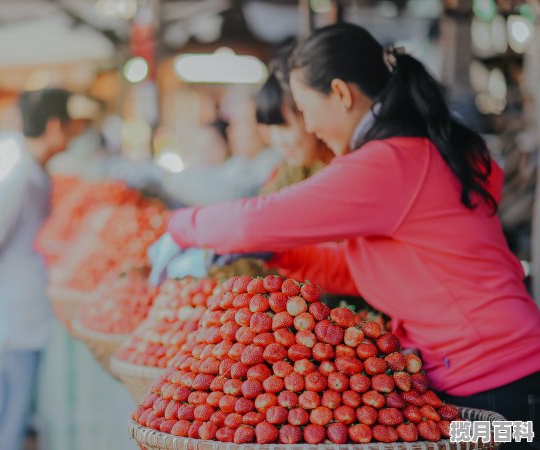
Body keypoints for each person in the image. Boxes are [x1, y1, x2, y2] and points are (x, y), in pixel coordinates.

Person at [151, 23, 540, 444]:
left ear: (340, 93)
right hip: (489, 376)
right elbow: (365, 274)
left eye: (305, 107)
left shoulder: (388, 164)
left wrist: (178, 225)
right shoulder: (414, 153)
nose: (309, 125)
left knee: (519, 441)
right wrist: (278, 255)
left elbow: (253, 219)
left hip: (498, 388)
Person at [0, 88, 77, 450]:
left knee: (8, 431)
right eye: (69, 126)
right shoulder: (14, 180)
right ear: (55, 127)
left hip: (22, 330)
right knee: (0, 437)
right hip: (5, 335)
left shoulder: (34, 174)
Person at [255, 52, 334, 195]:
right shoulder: (296, 166)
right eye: (271, 128)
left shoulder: (337, 167)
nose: (278, 141)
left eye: (284, 126)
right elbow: (263, 204)